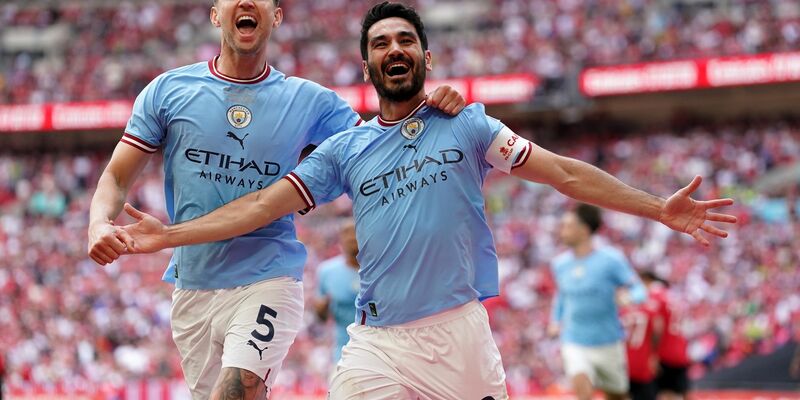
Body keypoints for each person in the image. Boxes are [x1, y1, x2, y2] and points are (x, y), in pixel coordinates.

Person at [115, 2, 737, 399]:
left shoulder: (469, 125)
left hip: (460, 333)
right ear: (366, 67)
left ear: (426, 56)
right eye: (380, 43)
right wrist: (167, 236)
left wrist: (658, 208)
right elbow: (258, 207)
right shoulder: (345, 151)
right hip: (378, 342)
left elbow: (564, 175)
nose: (394, 49)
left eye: (405, 40)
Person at [85, 0, 465, 398]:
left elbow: (379, 149)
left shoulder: (310, 101)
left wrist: (430, 107)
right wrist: (98, 223)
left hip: (269, 277)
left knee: (236, 391)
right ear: (215, 15)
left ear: (276, 17)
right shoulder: (168, 91)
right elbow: (115, 176)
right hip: (193, 287)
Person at [547, 204, 648, 400]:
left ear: (584, 230)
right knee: (582, 386)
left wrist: (628, 298)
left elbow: (639, 290)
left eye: (567, 226)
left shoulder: (611, 259)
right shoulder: (560, 264)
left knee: (617, 395)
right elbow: (562, 295)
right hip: (574, 340)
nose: (562, 231)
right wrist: (555, 321)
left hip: (608, 342)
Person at [314, 221, 359, 368]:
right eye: (346, 233)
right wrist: (322, 308)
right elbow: (322, 318)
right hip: (342, 350)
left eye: (355, 232)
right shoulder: (326, 271)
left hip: (377, 347)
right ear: (340, 239)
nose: (351, 237)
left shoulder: (377, 269)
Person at [620, 271, 667, 400]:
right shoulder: (649, 311)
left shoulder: (621, 311)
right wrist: (654, 355)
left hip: (624, 362)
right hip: (643, 361)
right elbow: (658, 331)